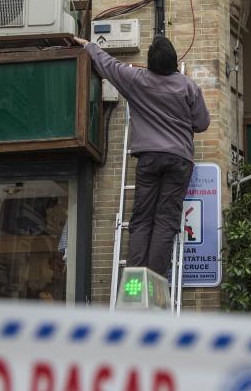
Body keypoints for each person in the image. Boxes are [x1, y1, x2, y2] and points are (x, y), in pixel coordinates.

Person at [73, 35, 210, 277]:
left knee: (142, 219)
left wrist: (89, 46)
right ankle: (154, 282)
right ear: (173, 60)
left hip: (148, 159)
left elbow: (108, 65)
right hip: (179, 160)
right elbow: (201, 124)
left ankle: (134, 281)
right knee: (166, 220)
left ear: (150, 62)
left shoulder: (136, 80)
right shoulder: (188, 86)